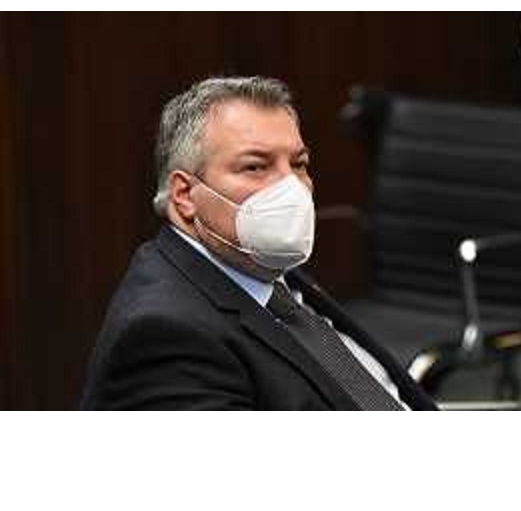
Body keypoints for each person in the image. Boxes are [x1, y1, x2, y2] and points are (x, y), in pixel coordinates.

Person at [81, 76, 437, 410]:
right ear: (185, 195)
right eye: (255, 167)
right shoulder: (164, 336)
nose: (292, 188)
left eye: (299, 164)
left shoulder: (264, 269)